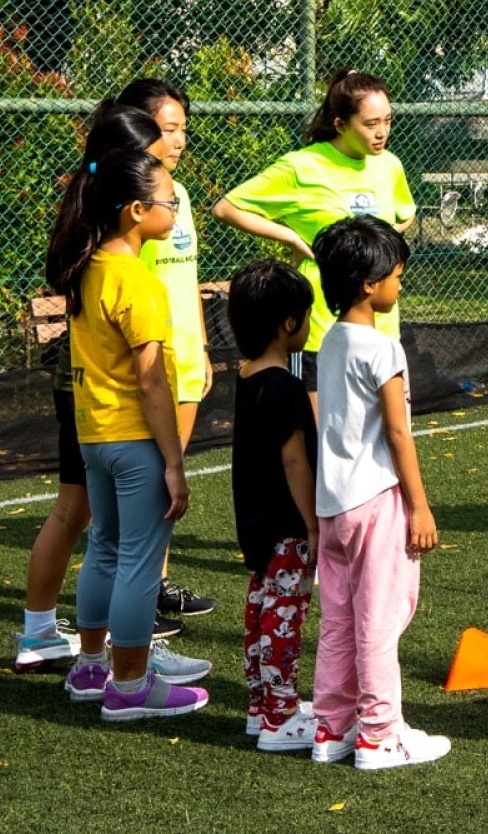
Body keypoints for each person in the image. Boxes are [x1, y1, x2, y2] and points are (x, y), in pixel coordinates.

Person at [15, 107, 211, 677]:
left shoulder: (89, 266)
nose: (175, 211)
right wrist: (173, 461)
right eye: (168, 203)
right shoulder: (139, 283)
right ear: (135, 209)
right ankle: (129, 683)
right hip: (133, 439)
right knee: (139, 563)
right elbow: (151, 382)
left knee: (103, 548)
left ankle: (91, 668)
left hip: (94, 436)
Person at [308, 215, 448, 770]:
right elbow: (397, 434)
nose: (400, 283)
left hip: (333, 505)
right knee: (379, 620)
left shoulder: (331, 339)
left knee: (339, 619)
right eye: (396, 276)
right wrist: (420, 505)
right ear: (369, 285)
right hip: (376, 503)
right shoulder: (383, 349)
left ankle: (330, 729)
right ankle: (379, 734)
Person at [212, 68, 414, 405]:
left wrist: (382, 242)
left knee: (385, 440)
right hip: (322, 332)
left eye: (388, 121)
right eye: (370, 124)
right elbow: (227, 208)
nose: (382, 133)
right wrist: (291, 237)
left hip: (383, 331)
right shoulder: (300, 167)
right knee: (321, 446)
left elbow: (405, 214)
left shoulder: (389, 165)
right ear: (340, 124)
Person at [105, 78, 219, 625]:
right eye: (167, 129)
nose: (178, 141)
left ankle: (155, 586)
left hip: (186, 363)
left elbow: (186, 278)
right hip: (148, 365)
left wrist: (201, 344)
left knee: (168, 493)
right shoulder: (129, 206)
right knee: (143, 490)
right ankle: (127, 601)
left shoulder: (180, 197)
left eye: (182, 130)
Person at [227, 259, 320, 750]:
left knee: (261, 607)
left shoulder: (245, 376)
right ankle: (281, 719)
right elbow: (294, 461)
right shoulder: (285, 387)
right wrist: (312, 523)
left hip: (254, 518)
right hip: (285, 522)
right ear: (289, 324)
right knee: (284, 615)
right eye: (305, 316)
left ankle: (260, 706)